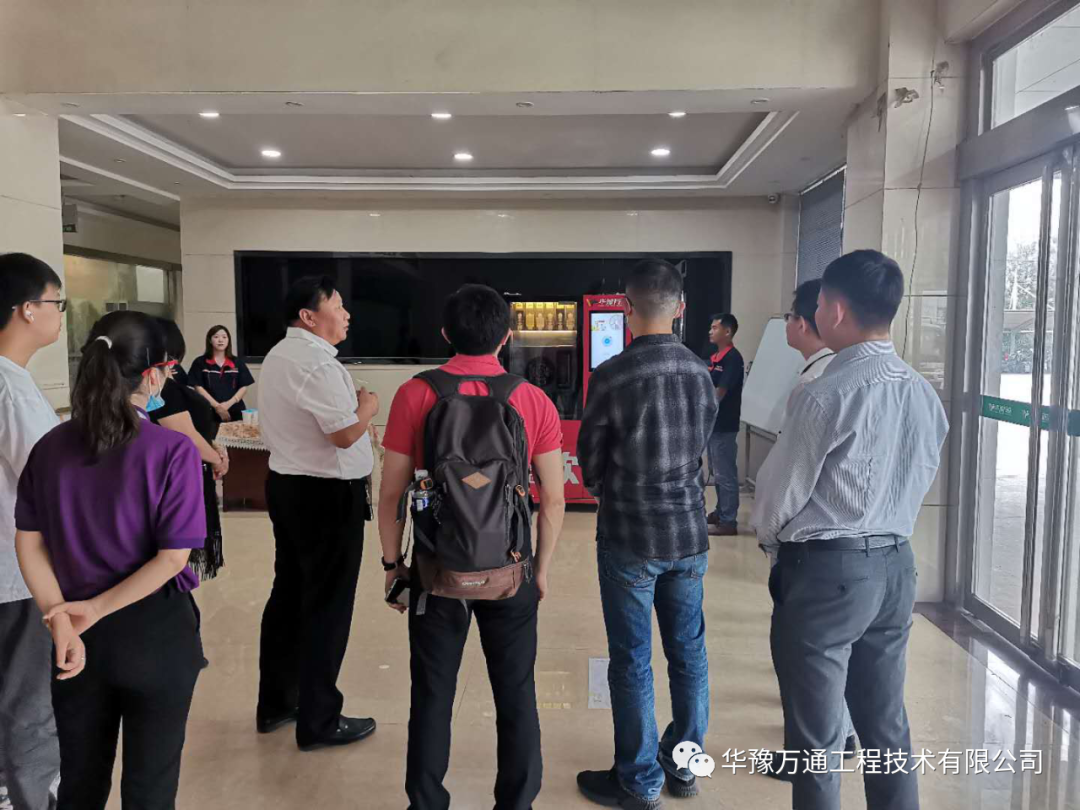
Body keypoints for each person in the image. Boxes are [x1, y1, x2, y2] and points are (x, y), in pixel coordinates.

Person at [753, 250, 948, 810]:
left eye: (817, 305)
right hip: (896, 566)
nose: (815, 314)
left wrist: (772, 543)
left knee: (816, 742)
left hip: (828, 571)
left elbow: (780, 492)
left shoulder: (826, 393)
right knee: (886, 727)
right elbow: (920, 473)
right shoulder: (921, 391)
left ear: (836, 310)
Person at [378, 283, 565, 810]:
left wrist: (393, 565)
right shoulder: (531, 399)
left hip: (436, 570)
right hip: (511, 569)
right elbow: (553, 499)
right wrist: (540, 570)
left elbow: (391, 494)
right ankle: (516, 802)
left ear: (445, 334)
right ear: (506, 337)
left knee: (431, 693)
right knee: (516, 692)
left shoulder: (416, 393)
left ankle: (427, 802)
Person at [14, 310, 207, 809]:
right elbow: (173, 558)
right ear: (153, 375)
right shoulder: (172, 450)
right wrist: (94, 610)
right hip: (155, 632)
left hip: (73, 638)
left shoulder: (49, 447)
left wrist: (60, 616)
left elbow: (28, 542)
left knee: (80, 782)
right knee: (150, 787)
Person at [576, 259, 718, 810]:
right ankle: (683, 765)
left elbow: (590, 462)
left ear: (626, 308)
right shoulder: (700, 372)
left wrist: (612, 490)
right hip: (688, 534)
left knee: (633, 658)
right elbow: (701, 451)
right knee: (689, 653)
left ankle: (638, 781)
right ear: (680, 308)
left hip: (630, 536)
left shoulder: (611, 376)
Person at [256, 276, 380, 751]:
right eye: (338, 306)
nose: (347, 314)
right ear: (309, 317)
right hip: (326, 496)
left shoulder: (280, 355)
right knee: (328, 605)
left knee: (289, 597)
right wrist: (367, 407)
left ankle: (277, 702)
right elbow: (343, 435)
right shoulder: (316, 363)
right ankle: (320, 720)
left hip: (289, 487)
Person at [751, 280, 857, 776]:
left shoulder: (818, 387)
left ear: (811, 321)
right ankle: (841, 733)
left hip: (814, 547)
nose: (789, 325)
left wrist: (769, 537)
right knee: (840, 654)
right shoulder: (878, 380)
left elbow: (787, 481)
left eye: (792, 317)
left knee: (806, 654)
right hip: (870, 548)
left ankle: (816, 752)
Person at [0, 253, 64, 810]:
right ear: (26, 309)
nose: (59, 314)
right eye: (55, 303)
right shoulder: (13, 391)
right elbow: (49, 485)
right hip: (16, 574)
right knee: (27, 703)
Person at [151, 318, 230, 580]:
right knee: (172, 556)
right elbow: (185, 435)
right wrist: (217, 459)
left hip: (190, 466)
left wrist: (212, 446)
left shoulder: (172, 377)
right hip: (175, 473)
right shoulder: (158, 387)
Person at [705, 313, 744, 536]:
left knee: (725, 473)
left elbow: (720, 392)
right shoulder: (716, 357)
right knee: (717, 472)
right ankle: (721, 512)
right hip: (714, 424)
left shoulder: (733, 358)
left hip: (724, 425)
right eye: (711, 327)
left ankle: (729, 521)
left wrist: (702, 407)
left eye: (715, 328)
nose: (710, 331)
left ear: (727, 332)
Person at [190, 325, 254, 423]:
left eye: (224, 337)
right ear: (210, 340)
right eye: (216, 337)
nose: (221, 340)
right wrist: (217, 407)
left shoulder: (237, 362)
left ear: (228, 340)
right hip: (208, 412)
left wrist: (228, 404)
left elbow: (244, 387)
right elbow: (198, 387)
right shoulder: (200, 362)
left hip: (235, 411)